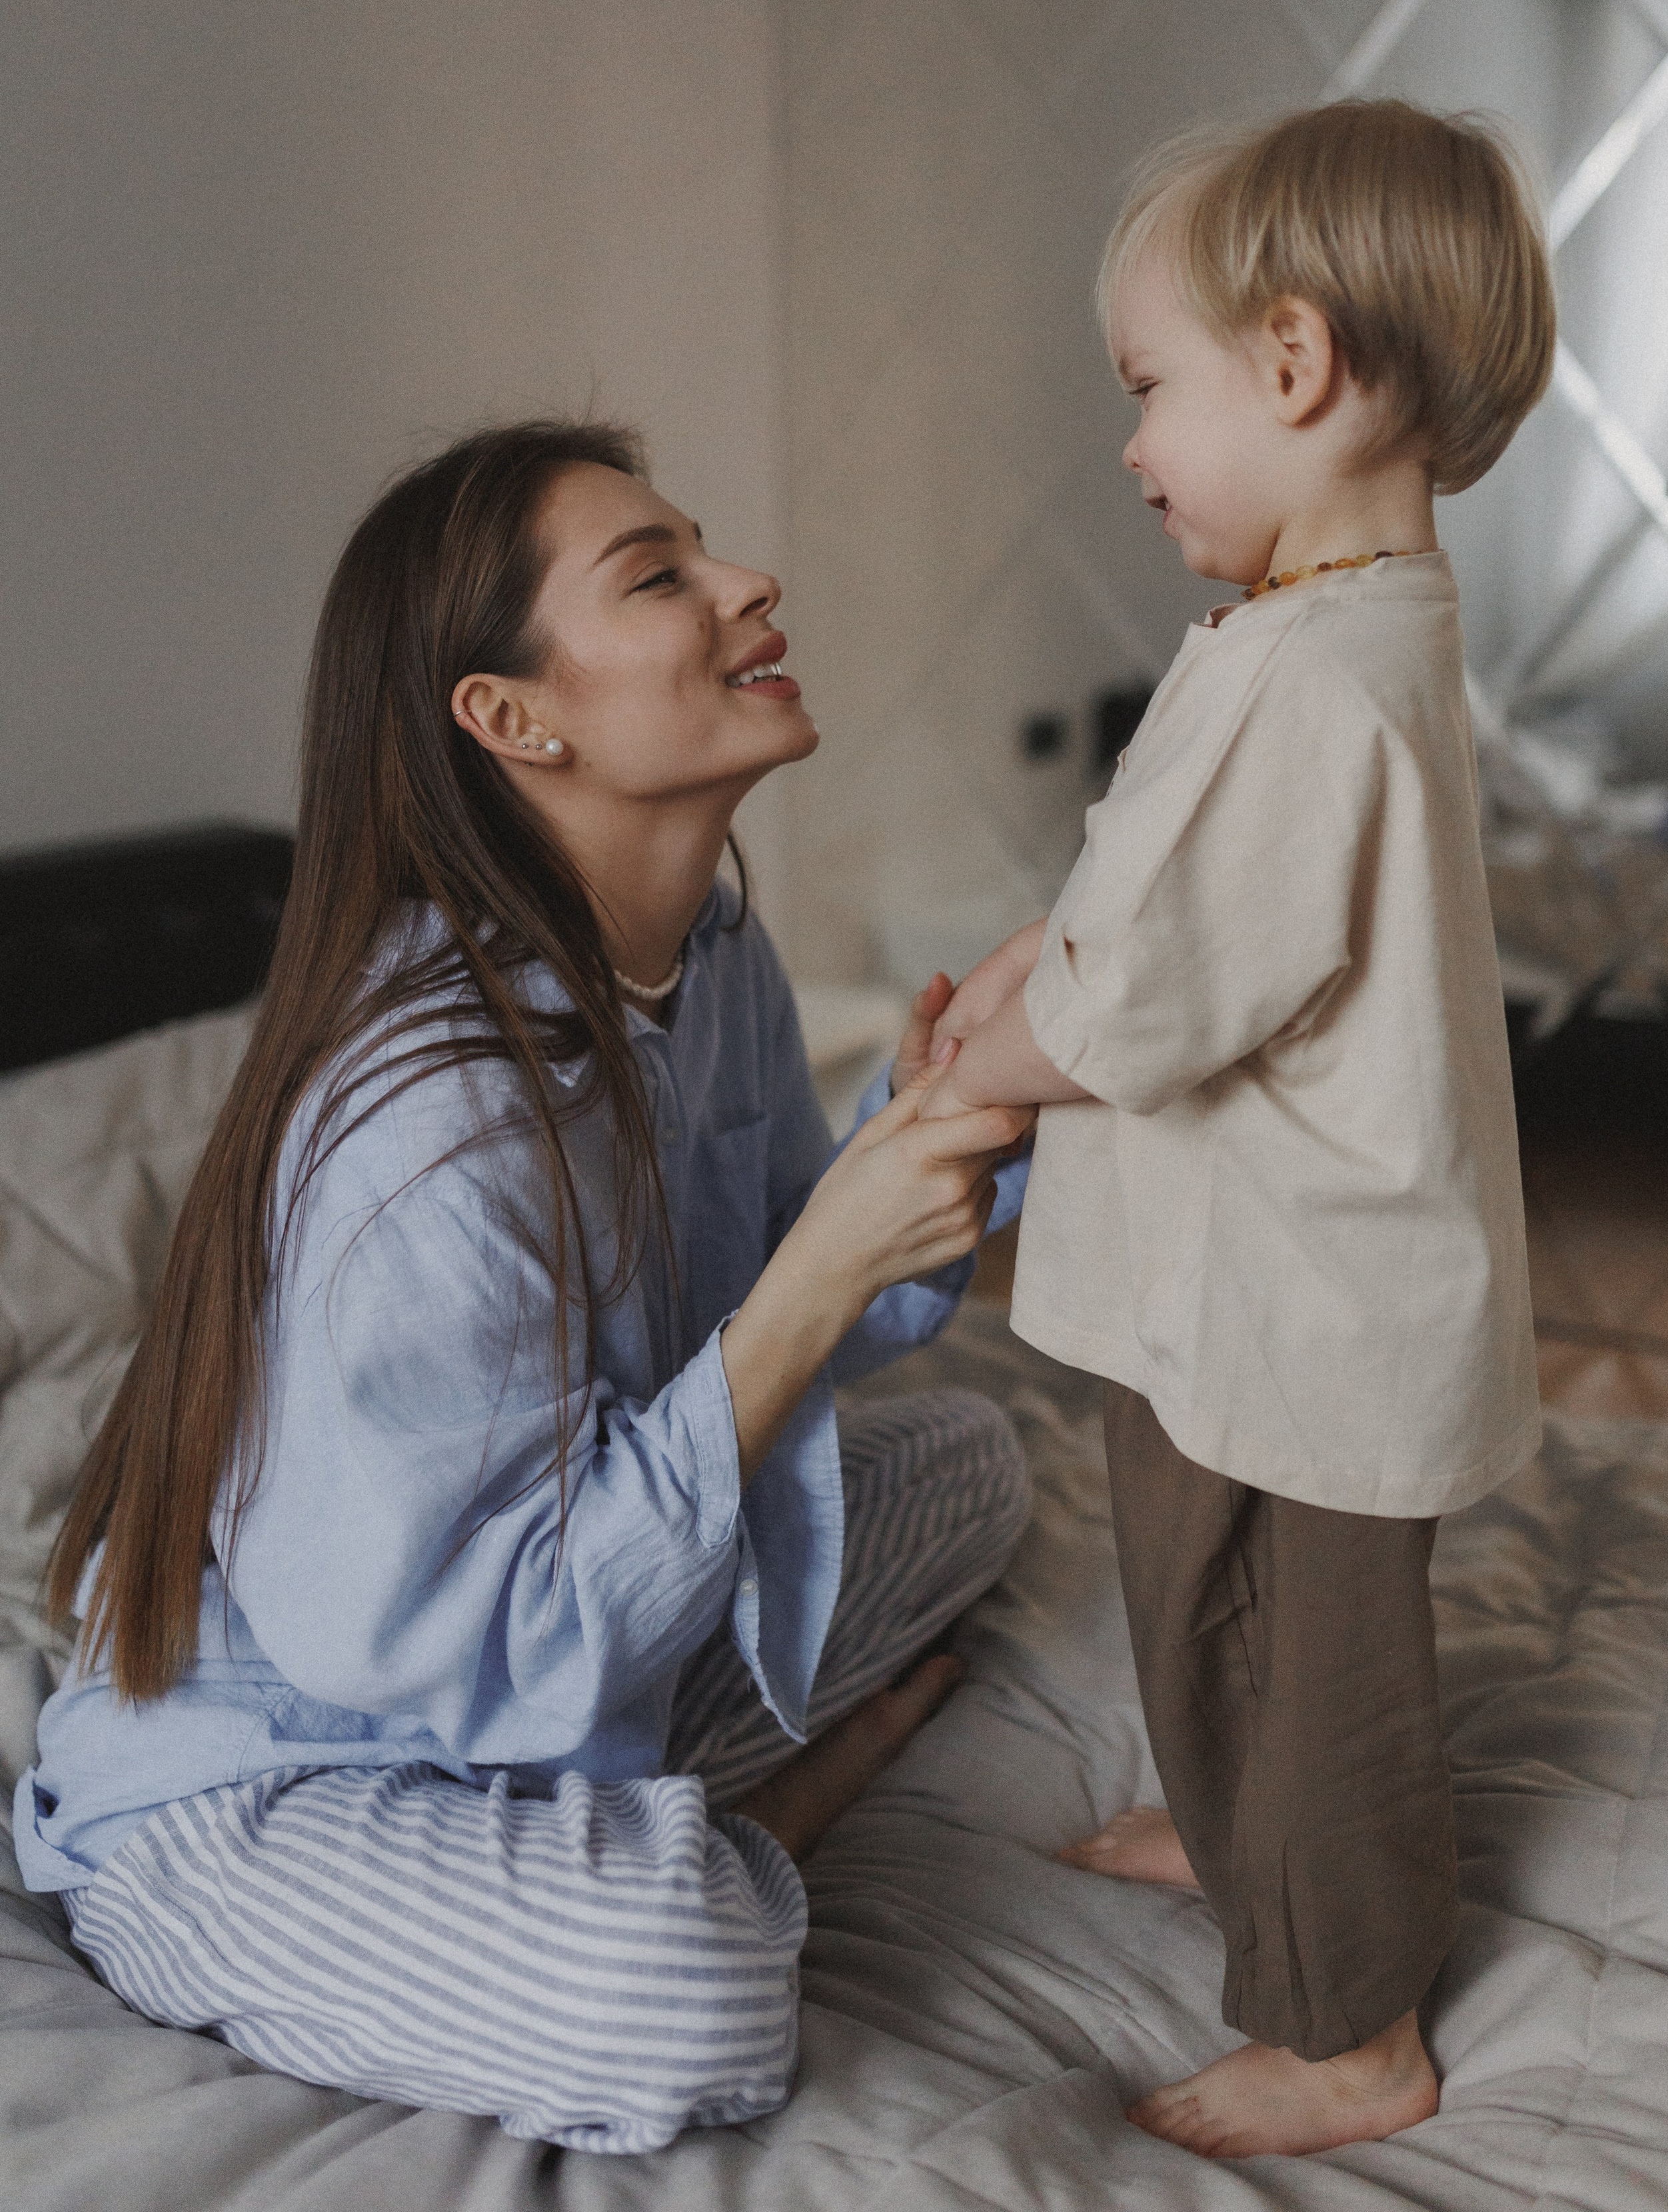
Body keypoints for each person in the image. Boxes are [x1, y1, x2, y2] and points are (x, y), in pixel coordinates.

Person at [17, 420, 1033, 2155]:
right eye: (660, 575)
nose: (749, 583)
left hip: (558, 1659)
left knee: (973, 1468)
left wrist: (940, 1120)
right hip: (292, 1762)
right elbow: (526, 1619)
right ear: (513, 716)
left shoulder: (710, 952)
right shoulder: (429, 1120)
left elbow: (786, 1318)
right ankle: (739, 1835)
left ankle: (612, 1828)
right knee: (688, 1988)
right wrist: (824, 1267)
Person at [918, 100, 1554, 2159]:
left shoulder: (1321, 679)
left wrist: (999, 1054)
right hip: (1243, 1292)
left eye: (1146, 389)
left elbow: (1161, 997)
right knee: (1209, 1606)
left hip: (1309, 1308)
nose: (1131, 447)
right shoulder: (1321, 626)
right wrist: (1039, 962)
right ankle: (1241, 1843)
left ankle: (1352, 2023)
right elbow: (1173, 900)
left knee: (1304, 1662)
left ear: (1293, 365)